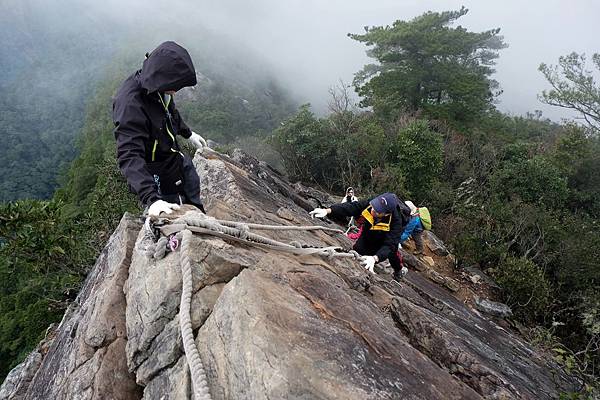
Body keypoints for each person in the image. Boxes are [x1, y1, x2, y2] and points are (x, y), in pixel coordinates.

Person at [112, 41, 207, 218]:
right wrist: (152, 199)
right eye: (175, 86)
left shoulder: (157, 85)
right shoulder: (130, 105)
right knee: (175, 218)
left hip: (176, 161)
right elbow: (129, 154)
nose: (175, 91)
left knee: (195, 202)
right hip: (158, 175)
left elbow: (169, 112)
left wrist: (188, 133)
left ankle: (201, 217)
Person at [310, 192, 410, 281]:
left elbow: (390, 245)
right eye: (374, 207)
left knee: (392, 252)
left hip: (385, 234)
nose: (373, 210)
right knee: (358, 250)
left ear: (387, 213)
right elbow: (351, 207)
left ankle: (399, 271)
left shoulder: (396, 222)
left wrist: (375, 258)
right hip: (369, 229)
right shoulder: (371, 203)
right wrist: (328, 211)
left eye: (377, 211)